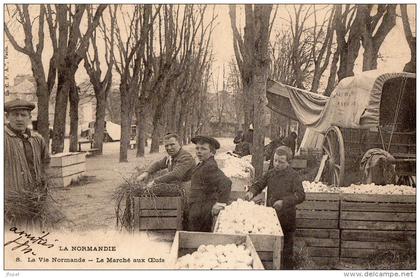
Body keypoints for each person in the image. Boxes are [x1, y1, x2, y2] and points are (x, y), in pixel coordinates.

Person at [245, 146, 305, 270]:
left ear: (289, 162)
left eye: (281, 162)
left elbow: (300, 195)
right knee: (272, 247)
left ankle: (287, 270)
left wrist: (284, 202)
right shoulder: (271, 173)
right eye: (275, 160)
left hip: (287, 218)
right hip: (271, 218)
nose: (277, 164)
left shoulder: (294, 176)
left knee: (287, 249)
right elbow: (259, 184)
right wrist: (252, 192)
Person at [4, 99, 51, 225]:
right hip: (9, 204)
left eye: (23, 115)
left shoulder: (37, 139)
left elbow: (45, 162)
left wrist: (43, 183)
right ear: (7, 117)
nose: (19, 119)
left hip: (35, 201)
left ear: (29, 118)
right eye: (15, 115)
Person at [187, 135, 232, 232]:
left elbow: (226, 183)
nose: (199, 151)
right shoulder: (203, 163)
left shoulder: (209, 166)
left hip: (202, 211)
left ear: (212, 152)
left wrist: (220, 204)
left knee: (197, 238)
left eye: (203, 149)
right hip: (197, 208)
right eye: (197, 148)